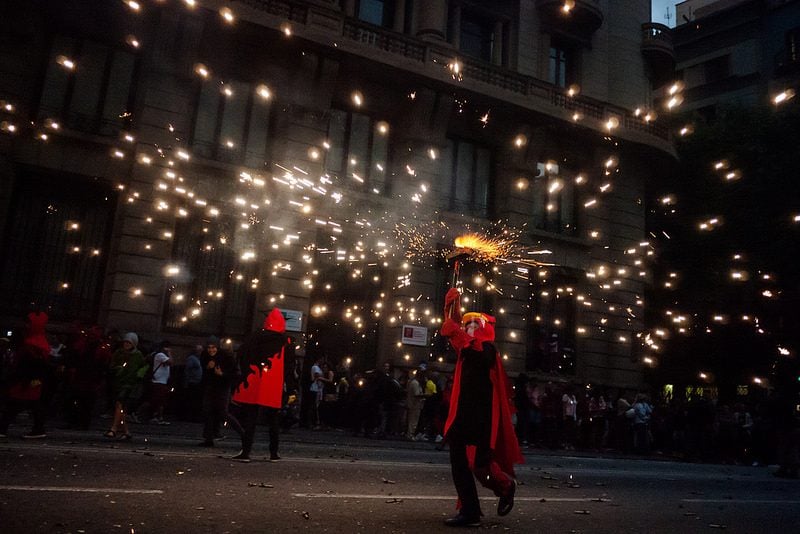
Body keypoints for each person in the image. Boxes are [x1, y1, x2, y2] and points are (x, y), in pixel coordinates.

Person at [439, 288, 523, 527]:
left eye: (472, 325)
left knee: (480, 465)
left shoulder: (487, 350)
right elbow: (457, 334)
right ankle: (472, 510)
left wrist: (456, 330)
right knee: (462, 463)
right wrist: (451, 307)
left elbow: (473, 348)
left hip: (481, 418)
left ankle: (502, 489)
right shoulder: (468, 348)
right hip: (464, 416)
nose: (467, 328)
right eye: (466, 325)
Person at [228, 308, 291, 462]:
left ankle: (246, 452)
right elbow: (289, 366)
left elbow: (242, 355)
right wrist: (289, 385)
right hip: (273, 385)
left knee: (251, 418)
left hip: (254, 380)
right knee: (273, 420)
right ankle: (274, 453)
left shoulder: (255, 337)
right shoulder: (286, 342)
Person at [0, 311, 55, 438]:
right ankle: (37, 429)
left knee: (15, 405)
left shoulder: (32, 344)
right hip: (30, 379)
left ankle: (4, 428)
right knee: (30, 405)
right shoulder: (37, 342)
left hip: (26, 380)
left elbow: (31, 364)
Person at [104, 332, 146, 441]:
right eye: (125, 342)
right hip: (118, 382)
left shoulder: (138, 355)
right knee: (121, 407)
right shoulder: (119, 353)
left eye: (129, 343)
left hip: (129, 384)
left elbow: (145, 366)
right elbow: (112, 365)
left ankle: (114, 429)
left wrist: (139, 374)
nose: (126, 344)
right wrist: (117, 369)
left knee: (120, 404)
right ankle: (126, 431)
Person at [198, 336, 237, 447]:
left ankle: (243, 435)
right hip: (211, 387)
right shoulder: (205, 356)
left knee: (223, 413)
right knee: (208, 412)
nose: (211, 350)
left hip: (222, 387)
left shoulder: (225, 357)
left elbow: (233, 373)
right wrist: (207, 367)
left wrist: (222, 374)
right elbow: (205, 371)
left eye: (213, 347)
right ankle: (209, 438)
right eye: (209, 347)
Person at [182, 344, 203, 422]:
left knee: (195, 400)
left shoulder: (198, 359)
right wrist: (186, 382)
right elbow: (187, 370)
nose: (200, 352)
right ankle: (189, 417)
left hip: (197, 382)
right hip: (192, 382)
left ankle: (194, 416)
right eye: (199, 350)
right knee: (191, 400)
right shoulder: (191, 359)